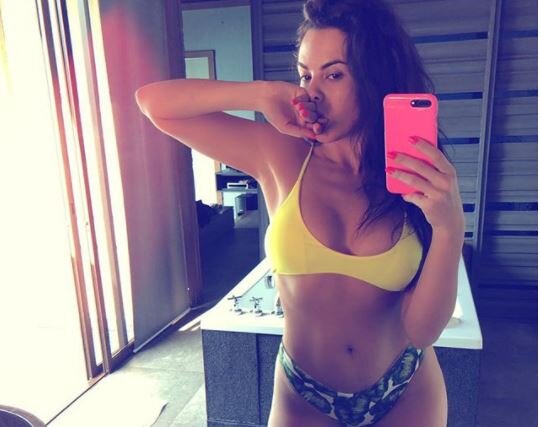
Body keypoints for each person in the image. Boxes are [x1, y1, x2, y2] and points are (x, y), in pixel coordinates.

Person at [135, 0, 465, 424]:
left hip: (405, 390)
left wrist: (450, 227)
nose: (313, 93)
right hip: (304, 396)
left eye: (334, 74)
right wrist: (261, 94)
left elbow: (422, 331)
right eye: (306, 75)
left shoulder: (412, 173)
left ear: (376, 76)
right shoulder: (280, 154)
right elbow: (153, 103)